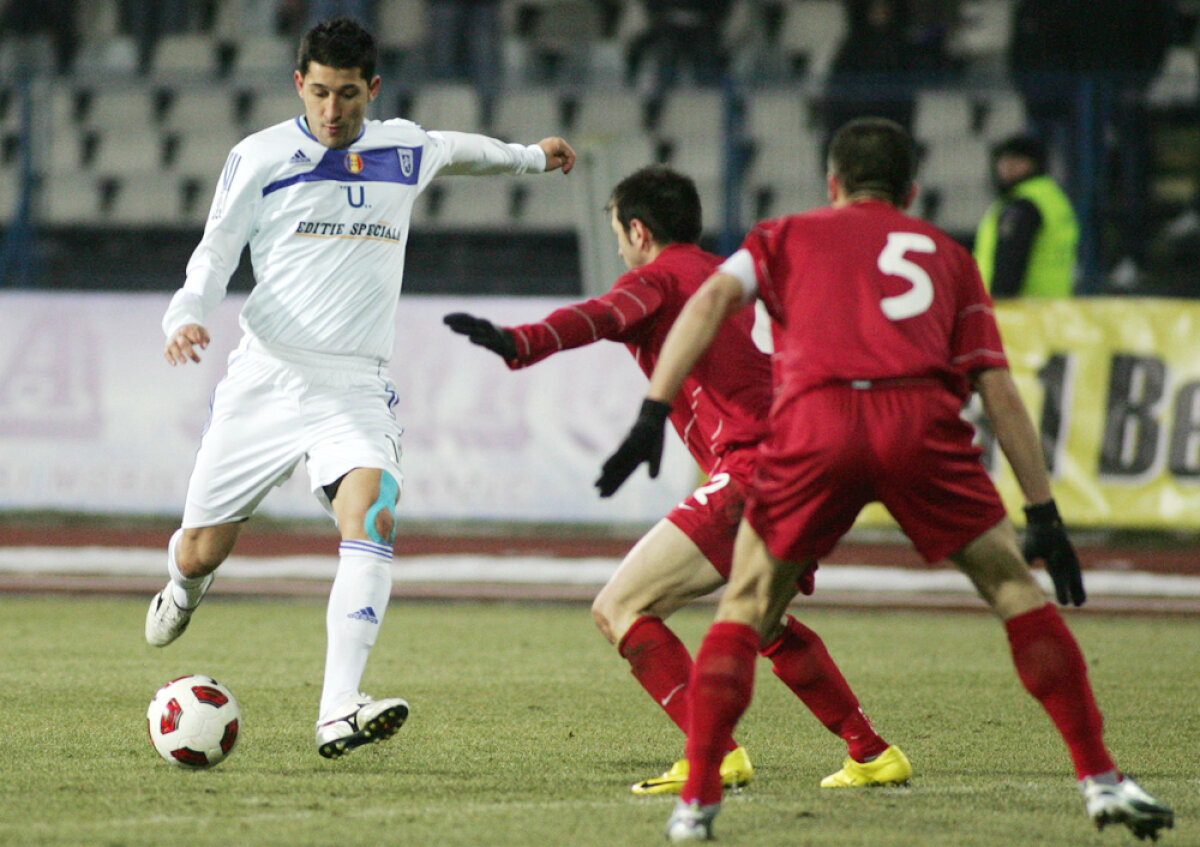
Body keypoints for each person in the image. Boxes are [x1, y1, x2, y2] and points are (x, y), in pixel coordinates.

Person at [598, 118, 1174, 842]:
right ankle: (1100, 779)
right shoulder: (949, 256)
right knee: (1012, 588)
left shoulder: (783, 234)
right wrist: (1043, 511)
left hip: (815, 425)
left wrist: (656, 408)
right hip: (919, 423)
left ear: (831, 184)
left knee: (745, 603)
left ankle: (699, 801)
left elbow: (711, 300)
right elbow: (997, 388)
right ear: (911, 190)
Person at [144, 17, 576, 760]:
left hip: (355, 383)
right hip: (268, 377)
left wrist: (532, 158)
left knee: (373, 512)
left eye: (348, 94)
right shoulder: (261, 156)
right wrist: (183, 316)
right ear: (298, 86)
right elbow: (214, 252)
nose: (333, 110)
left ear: (372, 90)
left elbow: (461, 151)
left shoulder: (401, 148)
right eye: (319, 93)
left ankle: (338, 707)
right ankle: (182, 588)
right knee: (200, 549)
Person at [444, 165, 911, 795]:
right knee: (764, 622)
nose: (618, 248)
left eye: (618, 234)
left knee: (620, 607)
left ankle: (711, 753)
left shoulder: (660, 278)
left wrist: (519, 341)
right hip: (813, 464)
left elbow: (602, 314)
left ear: (638, 230)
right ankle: (871, 752)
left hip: (755, 470)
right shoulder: (731, 275)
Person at [973, 134, 1078, 298]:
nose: (1005, 168)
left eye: (1014, 161)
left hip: (1021, 311)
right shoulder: (1052, 198)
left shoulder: (1022, 206)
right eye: (1003, 161)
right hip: (1053, 309)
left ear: (1032, 164)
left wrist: (997, 304)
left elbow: (1009, 263)